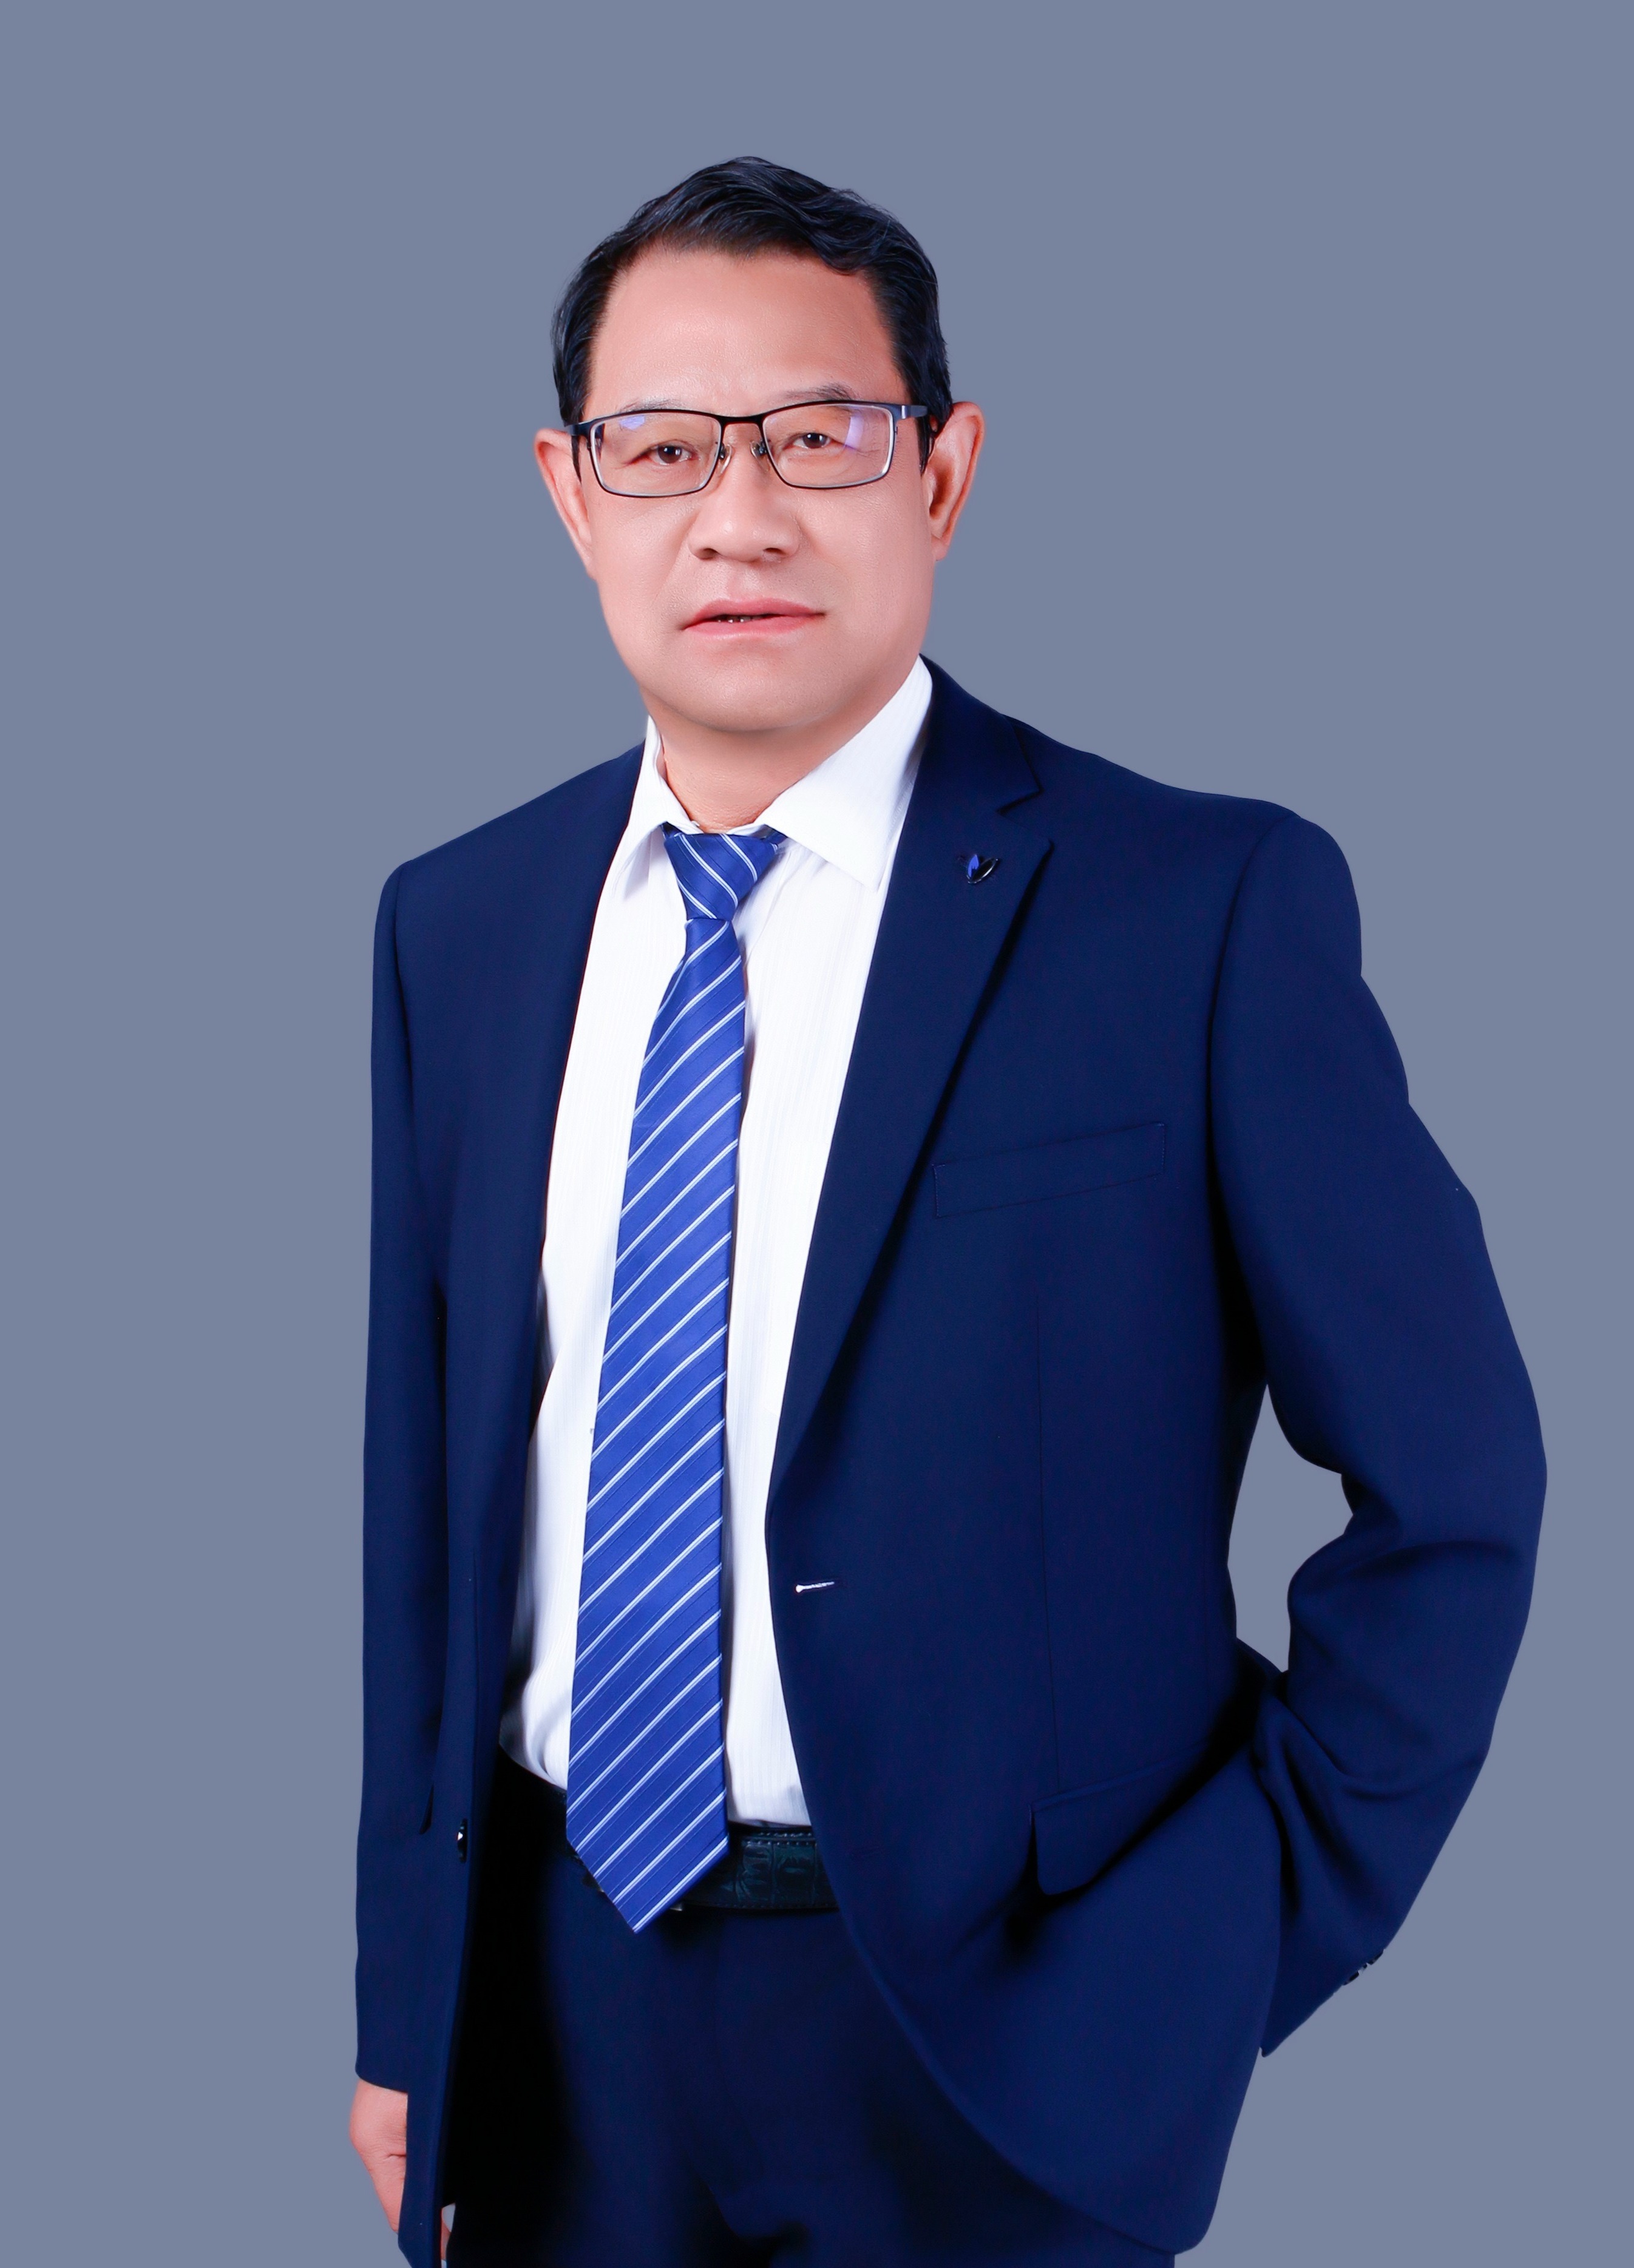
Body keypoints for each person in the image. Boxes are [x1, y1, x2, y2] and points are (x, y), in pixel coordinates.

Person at [347, 157, 1544, 2268]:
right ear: (569, 493)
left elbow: (1451, 1487)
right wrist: (401, 2004)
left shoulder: (1192, 909)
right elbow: (426, 1516)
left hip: (999, 2031)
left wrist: (1213, 1956)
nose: (739, 515)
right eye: (662, 447)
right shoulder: (462, 924)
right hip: (550, 2014)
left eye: (818, 437)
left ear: (943, 471)